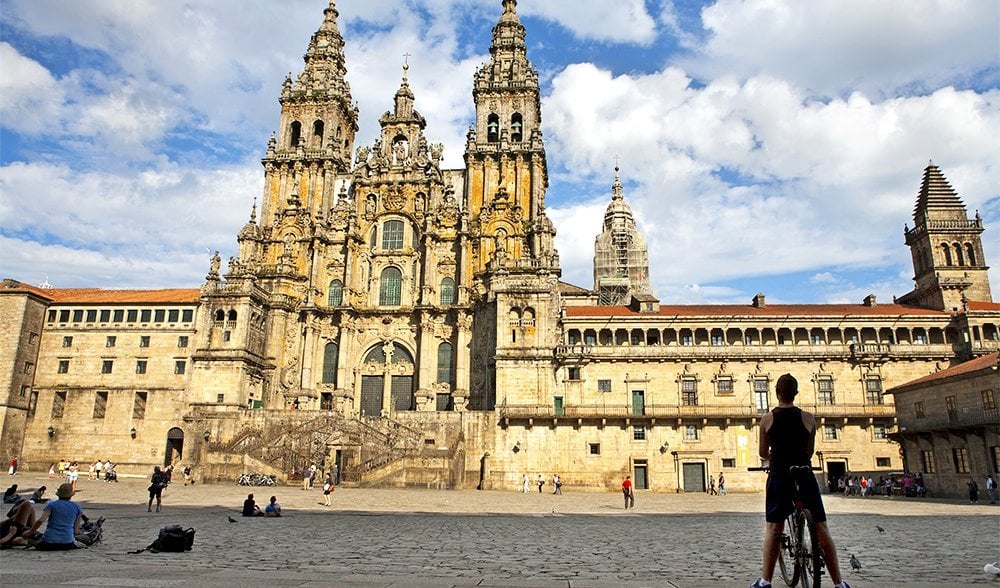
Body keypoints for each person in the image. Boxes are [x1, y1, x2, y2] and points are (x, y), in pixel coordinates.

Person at [750, 373, 850, 588]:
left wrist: (775, 456)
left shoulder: (768, 419)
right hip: (804, 474)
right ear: (796, 393)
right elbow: (810, 450)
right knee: (821, 527)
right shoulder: (808, 418)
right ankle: (839, 583)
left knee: (774, 529)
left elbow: (762, 453)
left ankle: (765, 580)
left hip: (779, 477)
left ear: (776, 392)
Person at [23, 483, 100, 550]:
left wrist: (30, 532)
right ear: (70, 496)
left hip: (48, 543)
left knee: (24, 531)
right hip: (67, 543)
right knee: (85, 538)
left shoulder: (52, 505)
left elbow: (40, 521)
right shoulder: (77, 507)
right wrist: (82, 534)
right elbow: (75, 531)